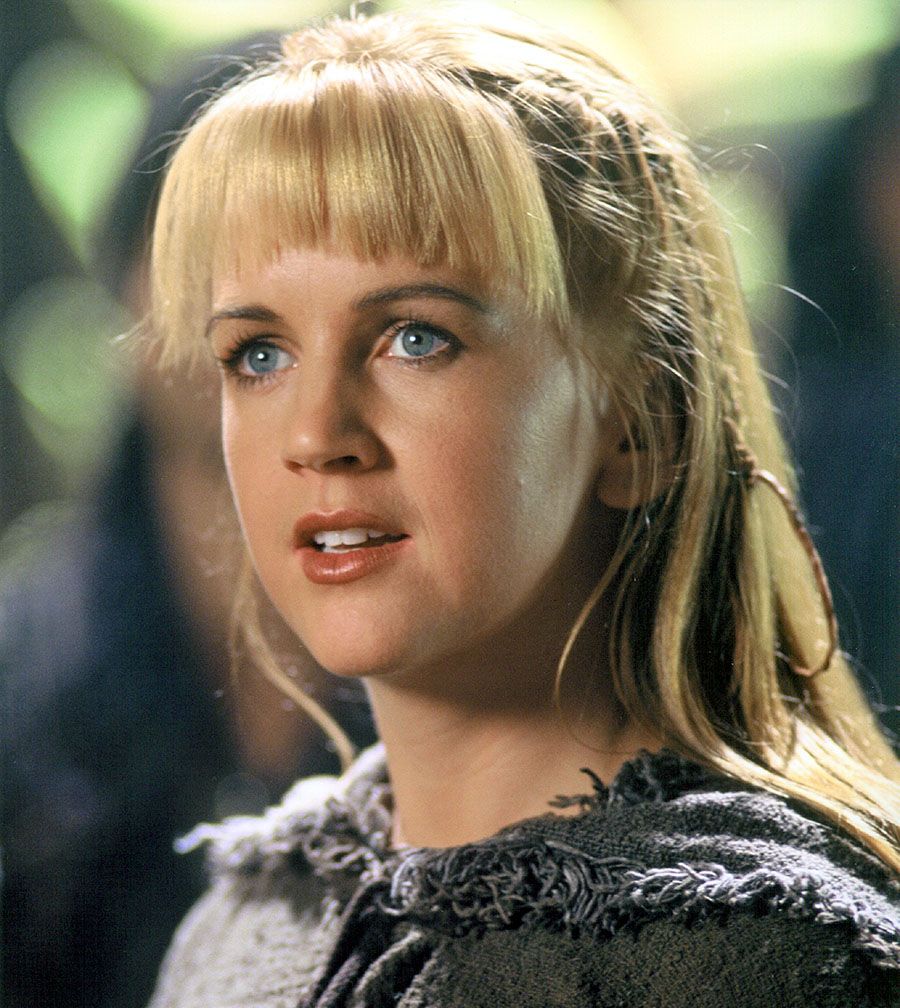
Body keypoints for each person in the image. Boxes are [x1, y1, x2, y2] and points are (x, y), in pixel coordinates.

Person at [141, 7, 899, 1006]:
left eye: (415, 337)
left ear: (640, 423)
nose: (317, 433)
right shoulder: (238, 928)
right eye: (260, 354)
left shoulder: (765, 960)